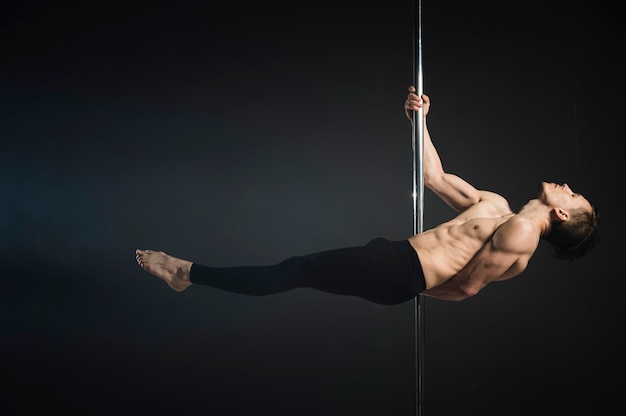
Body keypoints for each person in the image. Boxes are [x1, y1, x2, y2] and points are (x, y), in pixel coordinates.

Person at [135, 86, 599, 304]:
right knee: (298, 271)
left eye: (573, 195)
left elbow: (467, 287)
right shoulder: (498, 206)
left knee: (295, 270)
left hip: (402, 271)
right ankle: (188, 275)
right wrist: (418, 121)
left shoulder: (521, 234)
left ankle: (184, 273)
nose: (567, 185)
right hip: (397, 257)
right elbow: (434, 177)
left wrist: (410, 284)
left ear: (559, 213)